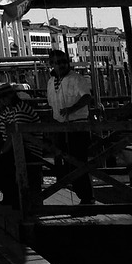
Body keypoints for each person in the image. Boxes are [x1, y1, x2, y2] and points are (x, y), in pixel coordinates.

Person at [44, 49, 94, 204]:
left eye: (64, 62)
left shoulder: (77, 79)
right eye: (57, 63)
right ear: (51, 64)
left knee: (78, 162)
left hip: (77, 127)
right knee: (67, 163)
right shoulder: (51, 82)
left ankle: (87, 196)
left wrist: (71, 110)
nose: (61, 65)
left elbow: (87, 97)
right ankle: (81, 194)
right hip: (60, 127)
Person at [0, 83, 40, 209]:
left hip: (28, 149)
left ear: (11, 96)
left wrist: (2, 152)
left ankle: (14, 197)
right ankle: (9, 194)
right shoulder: (5, 109)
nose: (1, 100)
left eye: (3, 97)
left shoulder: (20, 110)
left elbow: (15, 136)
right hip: (15, 147)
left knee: (0, 161)